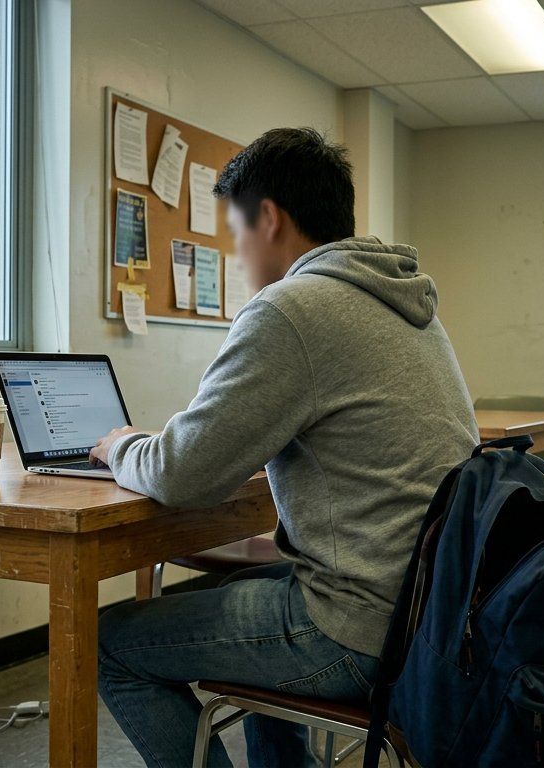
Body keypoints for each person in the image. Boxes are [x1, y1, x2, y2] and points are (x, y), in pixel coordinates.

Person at [87, 128, 478, 767]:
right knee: (263, 584)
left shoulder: (291, 310)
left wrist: (123, 444)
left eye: (236, 229)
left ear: (268, 218)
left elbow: (185, 474)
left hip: (357, 628)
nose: (236, 251)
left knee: (105, 642)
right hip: (428, 612)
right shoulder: (408, 304)